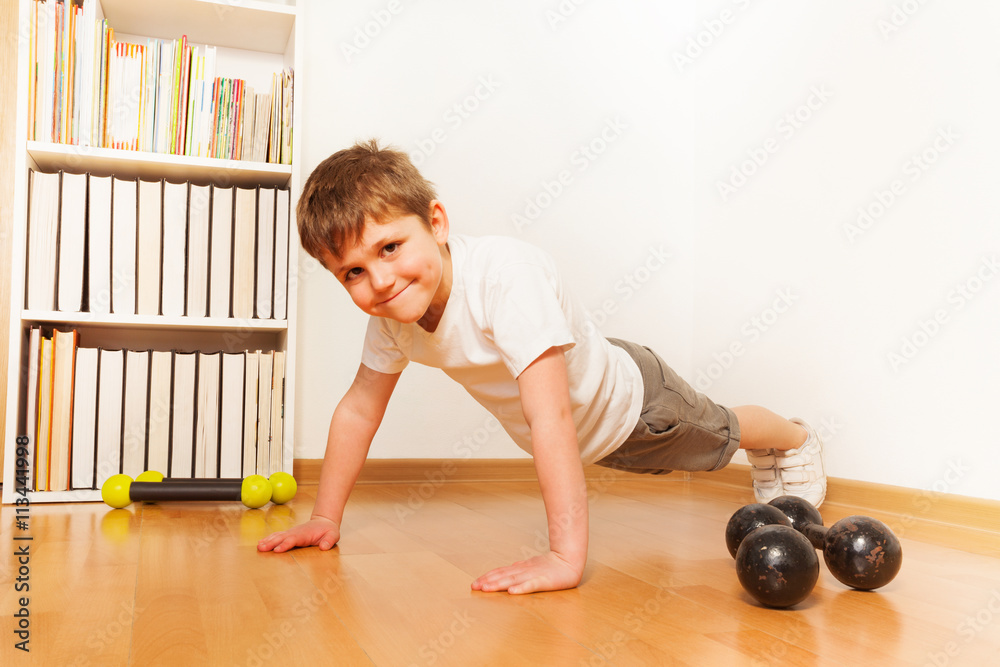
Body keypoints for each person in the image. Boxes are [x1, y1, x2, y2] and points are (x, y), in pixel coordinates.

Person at [256, 140, 827, 594]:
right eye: (352, 272)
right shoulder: (391, 321)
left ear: (436, 222)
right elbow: (358, 410)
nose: (379, 280)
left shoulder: (504, 278)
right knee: (702, 442)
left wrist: (563, 557)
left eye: (389, 247)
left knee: (719, 433)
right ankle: (779, 444)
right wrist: (325, 518)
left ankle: (793, 439)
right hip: (587, 421)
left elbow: (549, 415)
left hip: (638, 408)